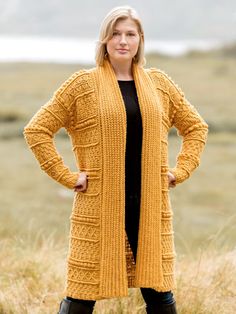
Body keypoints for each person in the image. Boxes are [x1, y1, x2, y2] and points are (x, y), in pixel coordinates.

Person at [23, 5, 208, 314]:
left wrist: (180, 171)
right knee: (81, 297)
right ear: (105, 40)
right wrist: (68, 176)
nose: (123, 40)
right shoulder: (82, 85)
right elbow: (37, 129)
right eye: (116, 34)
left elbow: (196, 127)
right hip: (100, 206)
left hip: (149, 204)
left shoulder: (159, 83)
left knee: (160, 296)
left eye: (130, 34)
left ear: (140, 40)